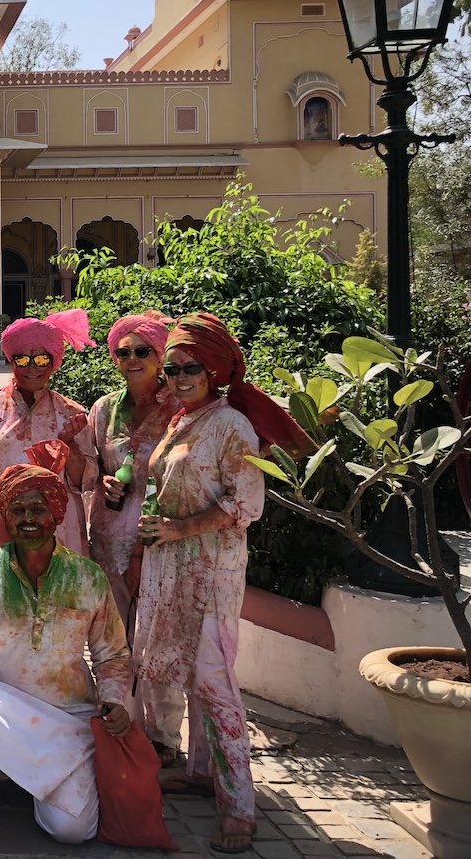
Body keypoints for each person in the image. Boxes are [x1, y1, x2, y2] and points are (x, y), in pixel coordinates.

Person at [132, 313, 310, 856]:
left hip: (210, 571)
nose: (180, 378)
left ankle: (239, 807)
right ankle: (201, 773)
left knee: (215, 683)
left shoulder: (231, 425)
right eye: (173, 369)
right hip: (172, 565)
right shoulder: (183, 419)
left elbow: (246, 504)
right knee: (189, 672)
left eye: (192, 368)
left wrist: (180, 528)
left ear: (215, 371)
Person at [0, 448, 132, 843]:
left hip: (66, 720)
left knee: (73, 831)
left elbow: (112, 654)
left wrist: (115, 700)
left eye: (38, 509)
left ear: (56, 514)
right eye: (18, 510)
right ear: (5, 516)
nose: (28, 519)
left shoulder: (87, 577)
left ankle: (31, 780)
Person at [80, 311, 184, 765]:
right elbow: (89, 466)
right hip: (109, 537)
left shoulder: (180, 409)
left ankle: (163, 738)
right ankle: (119, 724)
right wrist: (101, 479)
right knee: (113, 637)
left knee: (160, 637)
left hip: (160, 538)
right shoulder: (104, 409)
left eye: (143, 351)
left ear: (161, 357)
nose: (133, 359)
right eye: (124, 352)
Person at [0, 310, 96, 555]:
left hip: (58, 532)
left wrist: (69, 445)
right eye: (23, 360)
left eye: (41, 360)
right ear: (11, 360)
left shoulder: (70, 412)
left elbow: (85, 481)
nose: (32, 368)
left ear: (53, 362)